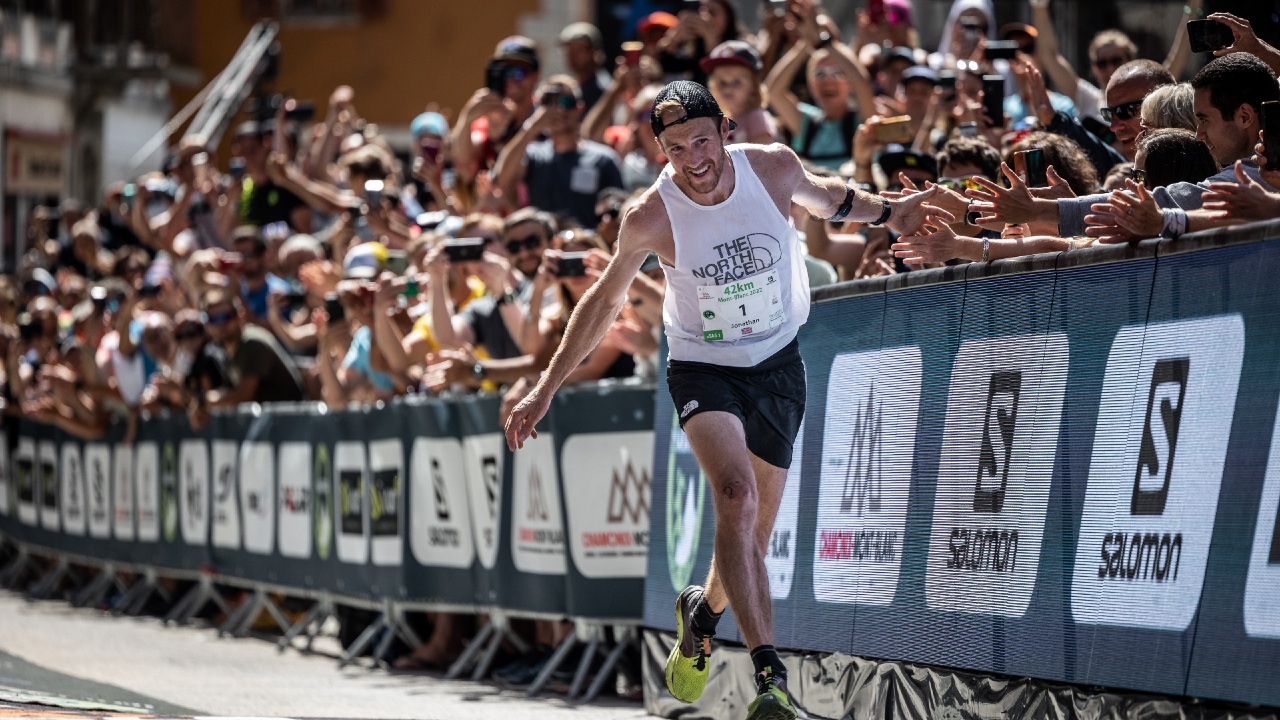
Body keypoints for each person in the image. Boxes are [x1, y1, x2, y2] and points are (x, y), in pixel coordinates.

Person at [502, 80, 937, 720]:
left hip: (779, 365)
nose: (694, 160)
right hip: (704, 370)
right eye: (677, 149)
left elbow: (832, 198)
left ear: (726, 130)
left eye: (702, 141)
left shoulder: (772, 168)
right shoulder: (652, 215)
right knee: (735, 494)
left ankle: (701, 614)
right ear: (662, 152)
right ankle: (770, 680)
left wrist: (889, 212)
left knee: (751, 539)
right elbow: (603, 303)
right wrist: (546, 387)